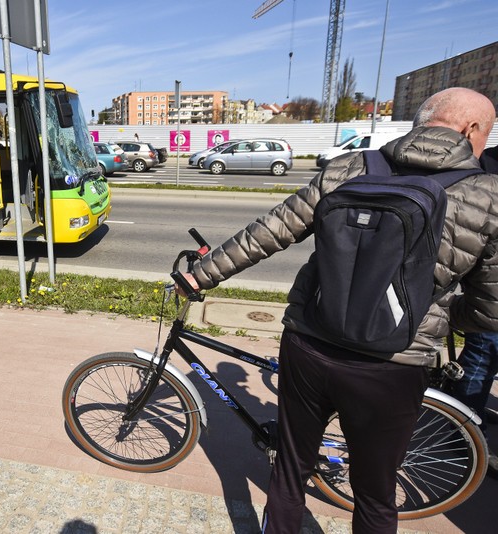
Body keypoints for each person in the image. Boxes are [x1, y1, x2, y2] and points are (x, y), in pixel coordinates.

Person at [180, 87, 498, 533]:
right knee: (374, 493)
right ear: (470, 130)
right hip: (392, 365)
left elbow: (273, 229)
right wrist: (437, 314)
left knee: (290, 469)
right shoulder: (487, 194)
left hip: (310, 344)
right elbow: (490, 312)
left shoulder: (352, 166)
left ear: (420, 123)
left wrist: (201, 275)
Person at [448, 143, 498, 475]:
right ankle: (462, 435)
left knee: (481, 360)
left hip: (487, 287)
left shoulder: (489, 160)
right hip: (489, 288)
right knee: (481, 360)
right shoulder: (489, 161)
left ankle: (465, 424)